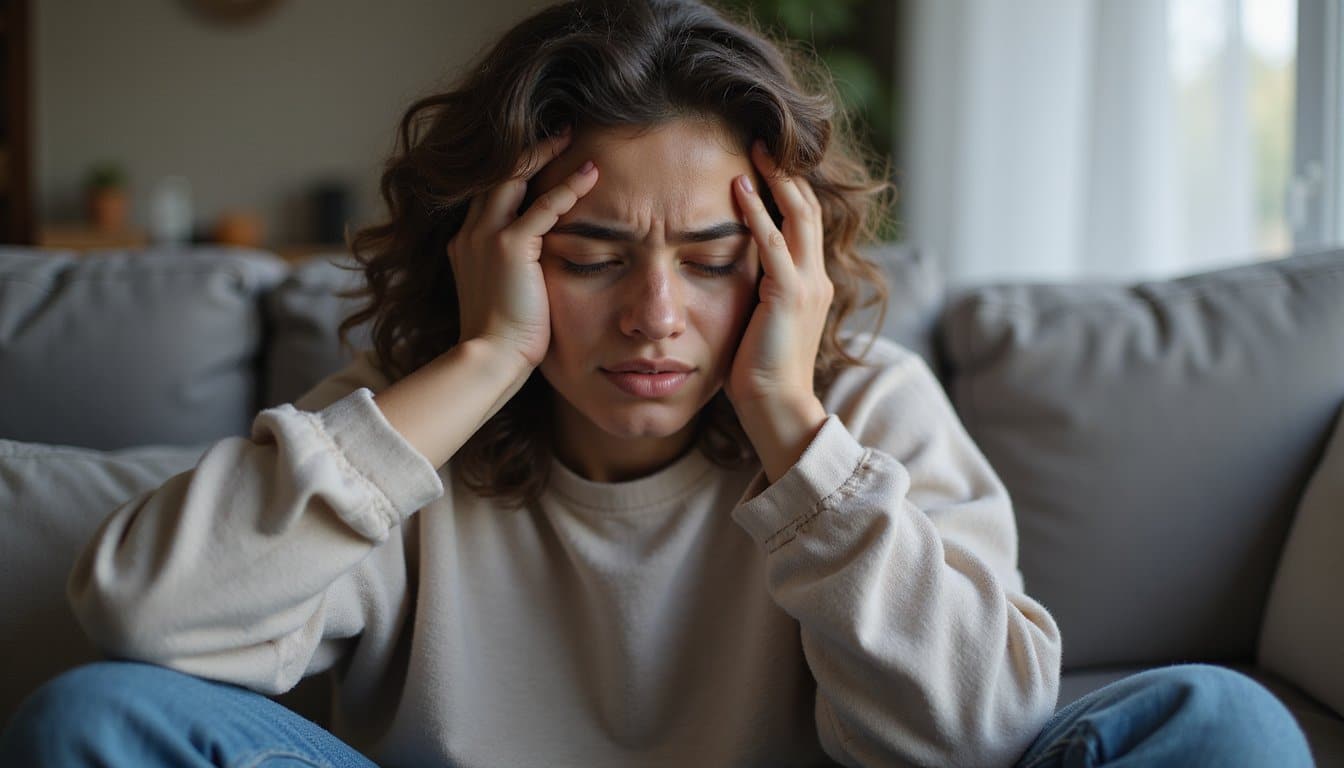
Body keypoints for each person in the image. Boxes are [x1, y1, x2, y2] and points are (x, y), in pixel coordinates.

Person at [0, 1, 1314, 766]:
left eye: (711, 258)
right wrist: (484, 358)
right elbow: (143, 621)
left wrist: (796, 433)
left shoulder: (867, 409)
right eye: (587, 254)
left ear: (787, 262)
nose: (654, 316)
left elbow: (974, 735)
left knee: (1228, 728)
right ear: (493, 250)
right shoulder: (415, 420)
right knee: (93, 718)